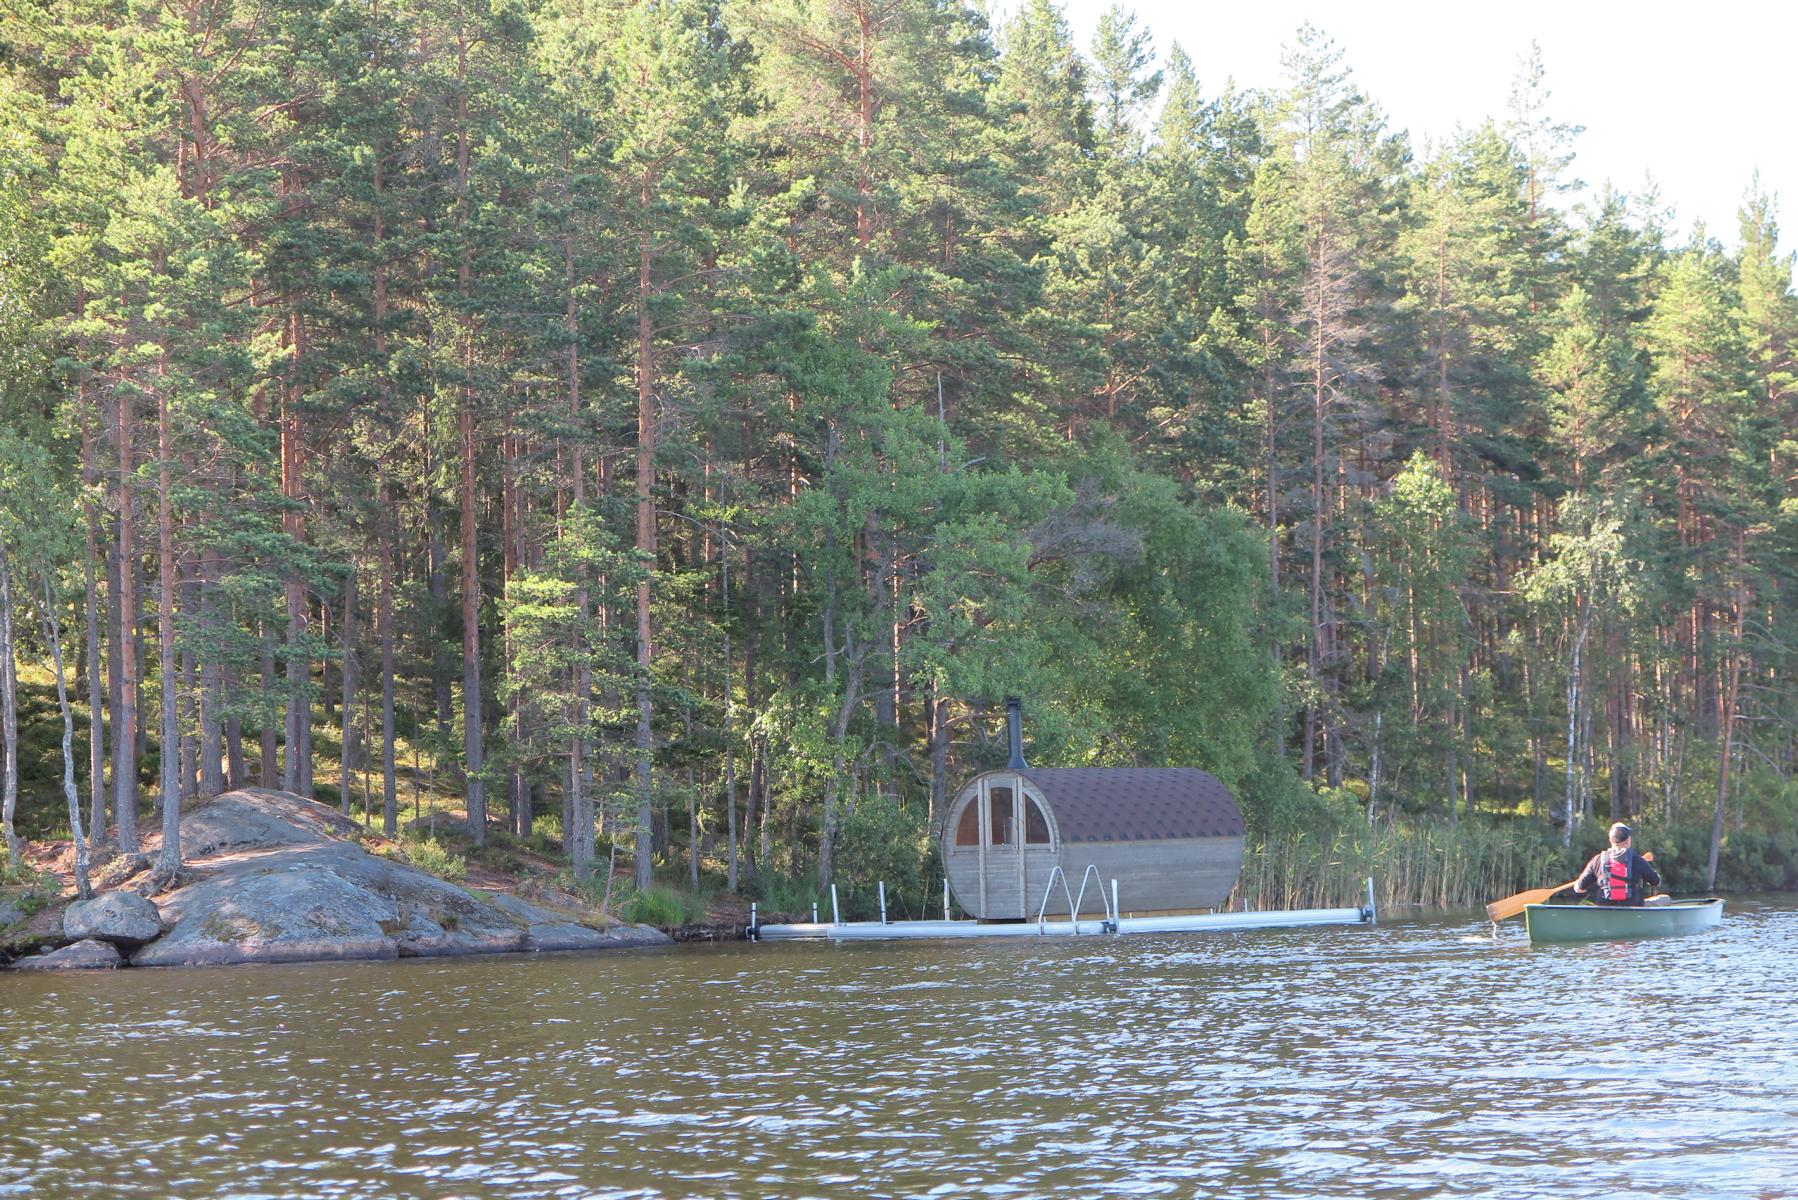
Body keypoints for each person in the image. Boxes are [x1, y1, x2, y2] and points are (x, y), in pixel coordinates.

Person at [1572, 823, 1661, 906]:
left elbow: (1579, 889)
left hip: (1605, 911)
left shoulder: (1597, 860)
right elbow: (1655, 882)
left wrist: (1578, 883)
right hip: (1633, 909)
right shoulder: (1637, 860)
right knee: (1665, 899)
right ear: (1628, 841)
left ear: (1610, 840)